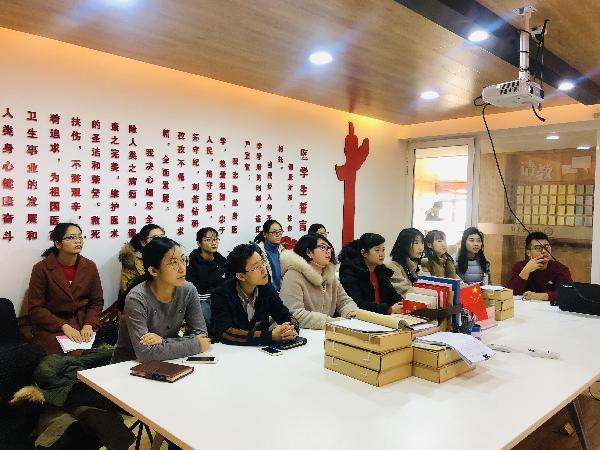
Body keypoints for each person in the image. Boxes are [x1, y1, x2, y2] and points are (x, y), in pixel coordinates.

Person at [111, 237, 211, 363]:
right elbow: (145, 353)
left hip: (171, 359)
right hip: (128, 364)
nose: (182, 268)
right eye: (173, 263)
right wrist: (196, 344)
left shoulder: (188, 290)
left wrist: (163, 341)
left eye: (183, 260)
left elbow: (201, 336)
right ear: (153, 270)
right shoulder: (136, 298)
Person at [27, 223, 104, 355]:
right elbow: (36, 308)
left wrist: (89, 324)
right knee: (76, 355)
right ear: (58, 244)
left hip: (83, 324)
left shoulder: (90, 266)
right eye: (72, 237)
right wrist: (63, 326)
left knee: (104, 351)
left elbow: (96, 302)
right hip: (53, 327)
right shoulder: (41, 268)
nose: (78, 241)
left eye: (80, 237)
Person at [211, 243, 298, 345]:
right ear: (241, 276)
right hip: (229, 351)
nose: (264, 269)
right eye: (256, 267)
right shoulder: (221, 294)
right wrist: (270, 336)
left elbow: (286, 316)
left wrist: (289, 329)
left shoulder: (266, 288)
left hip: (260, 350)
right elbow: (226, 333)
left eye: (263, 262)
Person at [280, 233, 358, 329]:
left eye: (329, 248)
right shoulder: (293, 275)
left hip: (325, 332)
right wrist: (330, 322)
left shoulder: (330, 276)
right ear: (309, 252)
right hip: (299, 332)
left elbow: (345, 302)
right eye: (322, 247)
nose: (328, 251)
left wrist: (351, 313)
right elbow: (293, 314)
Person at [339, 233, 402, 314]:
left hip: (381, 316)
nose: (381, 254)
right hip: (361, 317)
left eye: (383, 250)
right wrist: (388, 309)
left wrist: (402, 304)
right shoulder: (350, 272)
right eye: (377, 250)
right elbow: (357, 304)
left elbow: (393, 296)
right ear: (364, 253)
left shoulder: (380, 271)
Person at [507, 232, 572, 302]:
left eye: (547, 247)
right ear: (528, 253)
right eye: (538, 248)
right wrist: (526, 271)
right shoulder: (520, 266)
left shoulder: (561, 269)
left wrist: (538, 296)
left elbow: (567, 293)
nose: (544, 251)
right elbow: (510, 293)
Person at [185, 227, 230, 325]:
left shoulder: (222, 261)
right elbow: (191, 290)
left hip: (221, 299)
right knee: (204, 310)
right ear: (199, 243)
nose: (213, 243)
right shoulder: (191, 263)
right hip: (201, 302)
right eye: (208, 240)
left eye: (215, 239)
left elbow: (228, 285)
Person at [117, 224, 165, 306]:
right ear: (143, 242)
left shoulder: (168, 256)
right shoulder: (131, 262)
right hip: (141, 304)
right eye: (155, 237)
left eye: (162, 237)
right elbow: (128, 290)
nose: (160, 241)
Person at [386, 228, 425, 297]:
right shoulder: (392, 267)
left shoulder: (416, 265)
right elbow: (406, 293)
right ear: (404, 245)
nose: (421, 248)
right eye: (416, 243)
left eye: (422, 243)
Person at [253, 219, 287, 291]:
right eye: (274, 232)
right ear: (265, 234)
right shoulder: (257, 252)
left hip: (282, 292)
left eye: (280, 231)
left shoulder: (282, 251)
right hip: (265, 292)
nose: (278, 235)